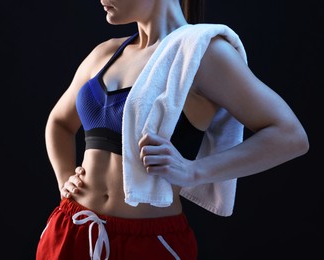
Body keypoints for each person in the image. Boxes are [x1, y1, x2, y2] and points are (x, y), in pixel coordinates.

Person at [36, 0, 309, 259]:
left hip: (149, 243)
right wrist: (64, 180)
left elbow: (290, 136)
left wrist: (193, 171)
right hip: (71, 228)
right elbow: (59, 122)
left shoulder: (201, 55)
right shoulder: (105, 54)